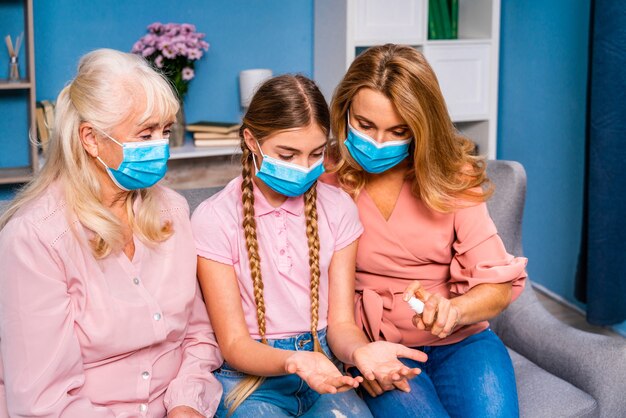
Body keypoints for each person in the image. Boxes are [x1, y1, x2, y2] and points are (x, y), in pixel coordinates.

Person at [0, 49, 222, 418]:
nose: (160, 147)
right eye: (145, 133)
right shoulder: (35, 239)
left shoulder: (174, 212)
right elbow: (43, 401)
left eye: (164, 131)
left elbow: (198, 338)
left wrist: (187, 403)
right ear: (91, 139)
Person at [191, 74, 427, 418]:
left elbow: (341, 324)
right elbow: (234, 345)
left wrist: (360, 351)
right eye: (287, 154)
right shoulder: (214, 219)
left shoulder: (338, 207)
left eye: (315, 154)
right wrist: (294, 360)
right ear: (251, 141)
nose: (303, 168)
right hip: (249, 380)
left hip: (325, 370)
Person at [326, 44, 528, 417]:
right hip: (378, 347)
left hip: (461, 343)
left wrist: (454, 309)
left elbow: (498, 286)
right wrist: (360, 356)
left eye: (398, 130)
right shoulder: (325, 177)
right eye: (365, 125)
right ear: (344, 113)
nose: (377, 143)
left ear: (422, 127)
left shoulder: (453, 177)